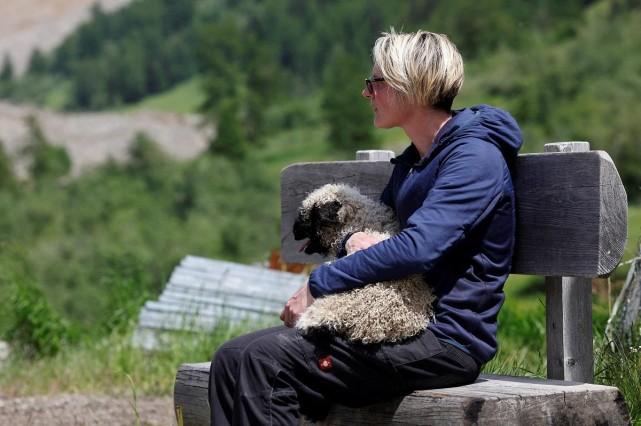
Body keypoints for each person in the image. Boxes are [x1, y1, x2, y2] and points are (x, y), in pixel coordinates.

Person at [208, 29, 523, 425]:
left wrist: (320, 284)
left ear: (409, 86)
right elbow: (383, 235)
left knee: (267, 363)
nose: (366, 93)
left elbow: (418, 248)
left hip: (444, 339)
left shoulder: (473, 159)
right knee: (231, 359)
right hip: (398, 323)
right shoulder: (416, 160)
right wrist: (351, 239)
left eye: (374, 82)